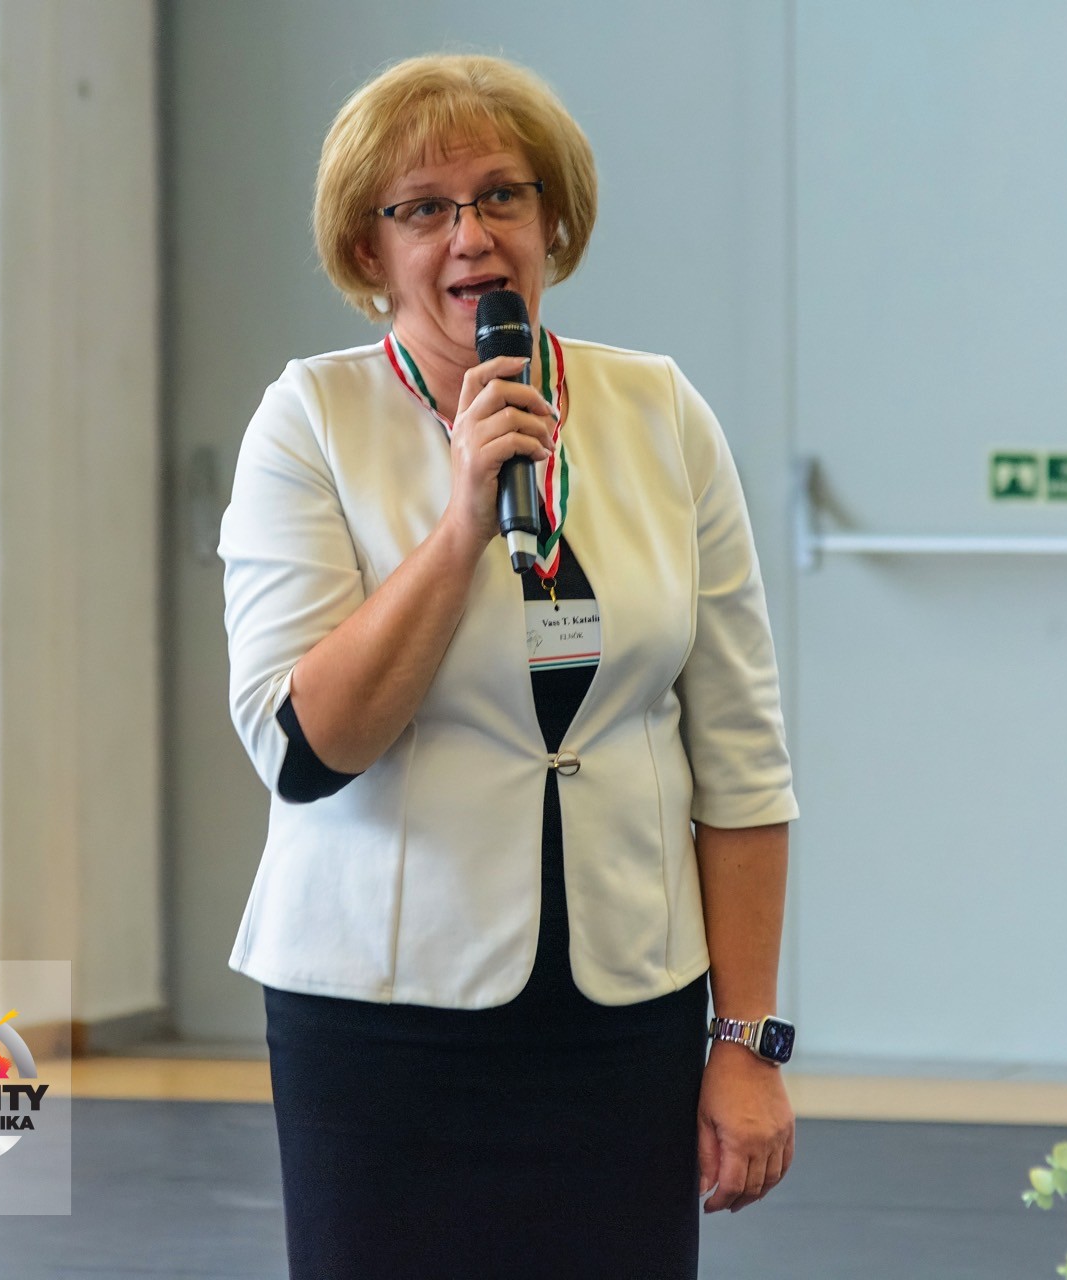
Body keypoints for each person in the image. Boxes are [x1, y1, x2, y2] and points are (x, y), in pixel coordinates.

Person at [217, 52, 800, 1279]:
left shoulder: (662, 411)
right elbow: (305, 746)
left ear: (552, 221)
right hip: (379, 1016)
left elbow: (742, 755)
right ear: (370, 249)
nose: (471, 235)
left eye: (501, 196)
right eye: (423, 208)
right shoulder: (310, 421)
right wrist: (459, 526)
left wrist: (746, 1039)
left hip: (625, 1008)